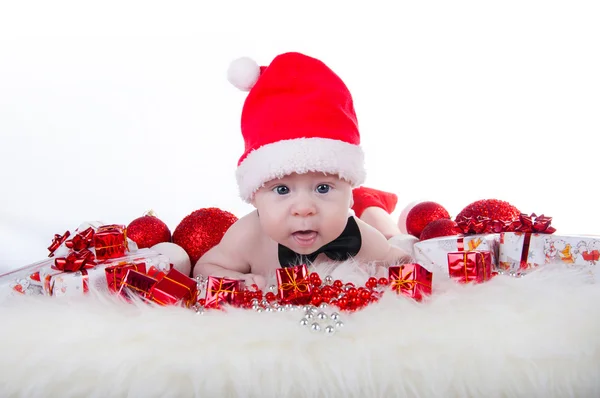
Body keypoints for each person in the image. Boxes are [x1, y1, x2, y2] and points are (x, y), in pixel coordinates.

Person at [192, 52, 417, 289]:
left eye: (323, 188)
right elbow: (204, 268)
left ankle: (370, 204)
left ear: (348, 193)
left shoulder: (360, 238)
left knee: (391, 234)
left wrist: (383, 273)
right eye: (281, 189)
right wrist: (238, 280)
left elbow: (400, 260)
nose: (303, 209)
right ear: (254, 197)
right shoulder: (248, 236)